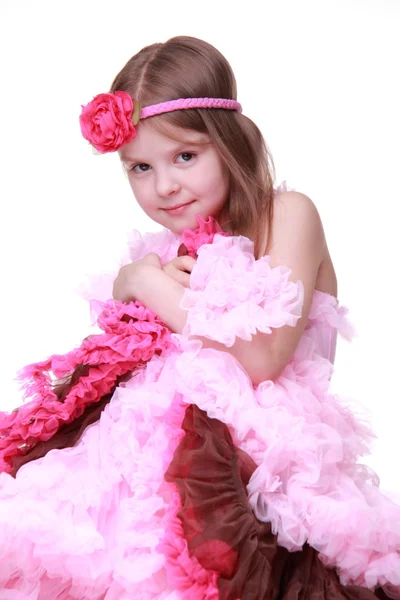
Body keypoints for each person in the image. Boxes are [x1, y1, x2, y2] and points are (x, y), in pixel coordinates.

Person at [0, 34, 399, 600]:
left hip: (262, 486)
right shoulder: (172, 251)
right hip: (157, 486)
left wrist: (145, 284)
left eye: (185, 156)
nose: (164, 186)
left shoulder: (286, 215)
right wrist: (135, 283)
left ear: (229, 141)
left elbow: (263, 358)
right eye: (140, 167)